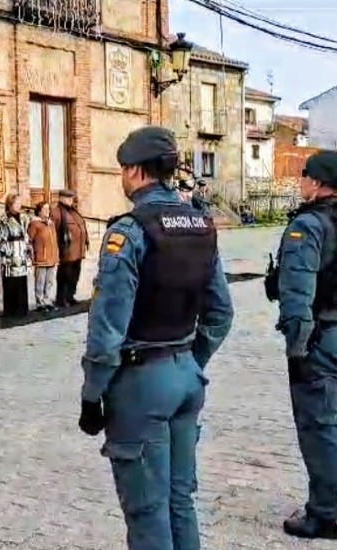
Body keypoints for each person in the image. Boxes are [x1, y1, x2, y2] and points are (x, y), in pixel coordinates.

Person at [77, 126, 234, 550]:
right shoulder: (201, 225)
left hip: (141, 382)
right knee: (180, 501)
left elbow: (108, 326)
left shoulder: (129, 231)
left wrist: (92, 393)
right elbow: (221, 312)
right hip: (185, 375)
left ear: (134, 171)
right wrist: (190, 360)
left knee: (147, 511)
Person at [268, 150, 337, 540]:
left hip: (319, 336)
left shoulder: (308, 225)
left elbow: (297, 294)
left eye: (304, 176)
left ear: (316, 182)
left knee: (320, 426)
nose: (301, 182)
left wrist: (297, 346)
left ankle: (327, 514)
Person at [52, 188, 89, 307]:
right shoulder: (56, 212)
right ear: (61, 198)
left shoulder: (74, 212)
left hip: (78, 251)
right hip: (66, 251)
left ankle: (70, 296)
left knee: (74, 275)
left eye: (71, 198)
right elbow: (53, 232)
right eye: (68, 198)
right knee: (64, 276)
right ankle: (61, 298)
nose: (71, 200)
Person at [0, 193, 31, 318]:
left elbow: (26, 233)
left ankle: (22, 309)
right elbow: (0, 238)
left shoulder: (24, 218)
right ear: (10, 204)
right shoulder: (4, 219)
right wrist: (6, 252)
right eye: (16, 203)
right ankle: (11, 310)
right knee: (11, 282)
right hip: (10, 254)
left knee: (22, 282)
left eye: (19, 203)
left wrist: (27, 248)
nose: (18, 205)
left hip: (22, 252)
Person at [27, 201, 59, 312]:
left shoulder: (51, 224)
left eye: (48, 209)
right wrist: (32, 255)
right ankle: (40, 302)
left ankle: (47, 300)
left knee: (49, 281)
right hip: (41, 257)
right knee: (40, 281)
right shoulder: (34, 224)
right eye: (44, 209)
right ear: (39, 211)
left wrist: (56, 255)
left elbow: (54, 240)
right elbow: (29, 240)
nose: (47, 211)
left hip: (51, 257)